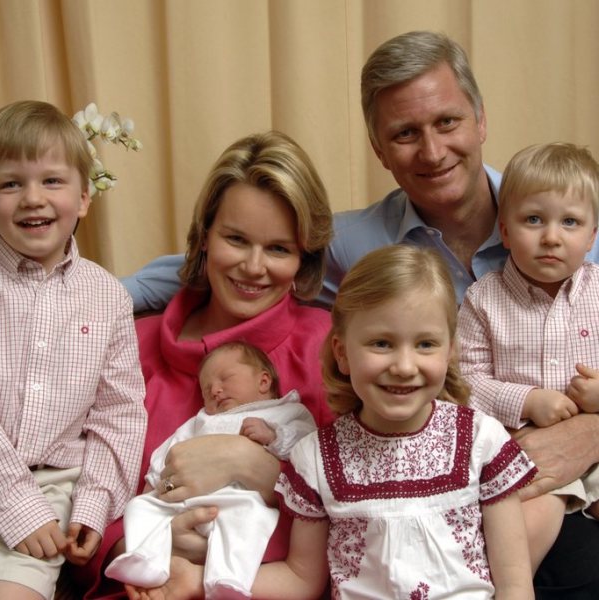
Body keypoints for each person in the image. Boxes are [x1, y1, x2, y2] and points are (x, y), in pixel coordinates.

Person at [147, 244, 536, 599]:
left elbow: (515, 585)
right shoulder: (315, 458)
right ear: (343, 353)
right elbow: (301, 580)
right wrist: (196, 580)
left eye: (425, 344)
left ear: (450, 351)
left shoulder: (482, 440)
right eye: (381, 343)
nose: (403, 366)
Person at [72, 130, 335, 599]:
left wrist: (262, 472)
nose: (254, 268)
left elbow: (375, 504)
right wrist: (138, 545)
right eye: (236, 239)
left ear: (304, 259)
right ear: (204, 237)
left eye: (279, 249)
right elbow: (70, 492)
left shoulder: (329, 347)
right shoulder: (131, 342)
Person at [0, 100, 147, 600]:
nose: (31, 199)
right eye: (10, 183)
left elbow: (119, 414)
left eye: (52, 181)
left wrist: (92, 504)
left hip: (50, 487)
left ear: (85, 197)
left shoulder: (107, 297)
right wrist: (12, 502)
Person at [457, 142, 599, 574]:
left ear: (593, 234)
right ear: (505, 230)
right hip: (524, 456)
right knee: (526, 524)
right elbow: (464, 381)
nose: (551, 236)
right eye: (533, 220)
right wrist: (526, 400)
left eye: (570, 222)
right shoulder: (484, 299)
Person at [105, 341, 316, 598]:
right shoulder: (202, 420)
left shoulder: (284, 411)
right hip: (182, 502)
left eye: (225, 379)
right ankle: (144, 557)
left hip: (238, 499)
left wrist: (274, 435)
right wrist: (154, 483)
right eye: (207, 389)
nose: (215, 390)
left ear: (263, 382)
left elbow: (308, 445)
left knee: (247, 520)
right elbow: (170, 448)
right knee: (139, 507)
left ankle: (227, 579)